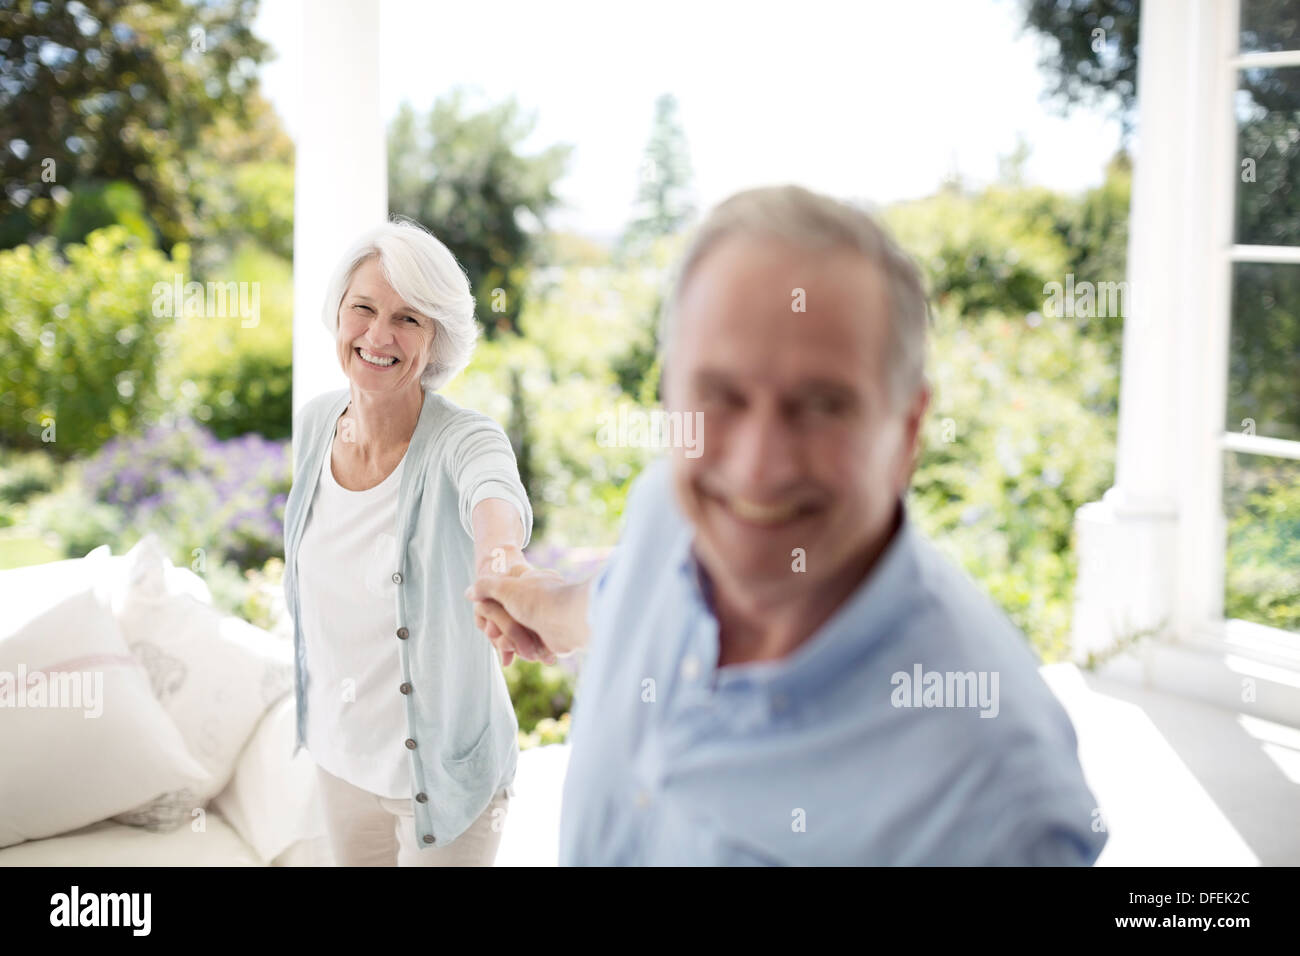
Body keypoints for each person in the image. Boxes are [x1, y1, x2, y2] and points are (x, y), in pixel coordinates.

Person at [469, 185, 1108, 865]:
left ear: (909, 429)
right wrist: (537, 602)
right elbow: (621, 604)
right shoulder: (669, 509)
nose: (757, 470)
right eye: (720, 395)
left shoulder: (993, 804)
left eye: (822, 405)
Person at [283, 217, 534, 866]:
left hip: (444, 776)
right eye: (363, 309)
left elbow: (495, 499)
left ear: (437, 338)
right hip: (342, 758)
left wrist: (502, 567)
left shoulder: (463, 439)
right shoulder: (315, 424)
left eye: (408, 319)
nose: (378, 336)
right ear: (338, 311)